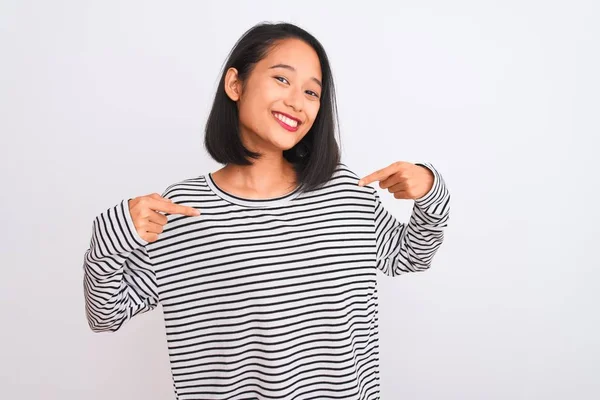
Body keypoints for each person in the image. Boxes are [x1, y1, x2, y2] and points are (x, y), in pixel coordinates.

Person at [82, 21, 450, 400]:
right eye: (281, 79)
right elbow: (106, 315)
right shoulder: (185, 210)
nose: (297, 101)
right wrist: (111, 234)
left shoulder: (344, 192)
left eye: (311, 91)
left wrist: (430, 191)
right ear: (235, 84)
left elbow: (411, 256)